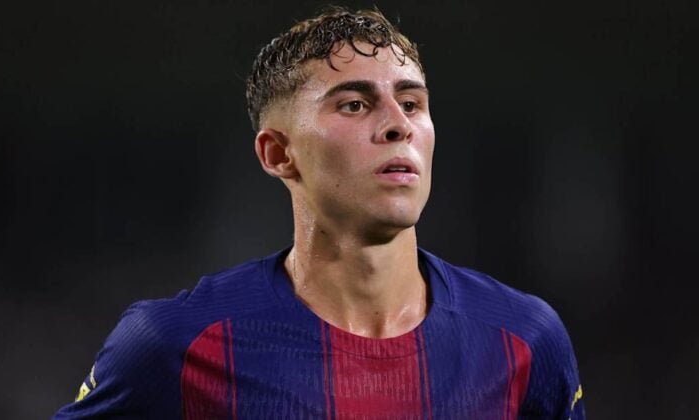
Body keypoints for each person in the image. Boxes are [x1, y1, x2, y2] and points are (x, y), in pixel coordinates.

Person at [55, 7, 585, 419]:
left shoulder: (526, 339)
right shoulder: (174, 343)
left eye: (411, 103)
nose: (398, 124)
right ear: (278, 154)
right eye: (354, 104)